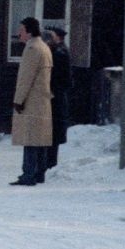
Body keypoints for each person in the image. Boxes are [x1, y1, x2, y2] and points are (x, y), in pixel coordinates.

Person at [11, 16, 54, 186]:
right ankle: (39, 173)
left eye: (21, 30)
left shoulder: (32, 49)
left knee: (29, 138)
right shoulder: (44, 47)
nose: (18, 33)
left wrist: (18, 100)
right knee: (39, 138)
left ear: (29, 31)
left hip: (32, 100)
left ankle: (28, 174)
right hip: (42, 99)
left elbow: (26, 78)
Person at [45, 24, 72, 169]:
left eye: (51, 35)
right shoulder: (57, 51)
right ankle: (49, 161)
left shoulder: (59, 53)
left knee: (53, 130)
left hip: (55, 96)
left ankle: (50, 163)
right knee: (52, 130)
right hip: (55, 95)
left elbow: (61, 78)